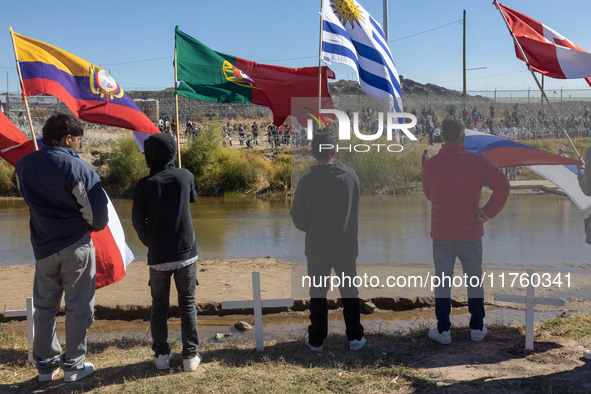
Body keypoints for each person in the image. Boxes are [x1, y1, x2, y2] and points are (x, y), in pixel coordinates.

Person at [15, 113, 108, 382]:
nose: (78, 145)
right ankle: (74, 366)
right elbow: (98, 217)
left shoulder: (23, 164)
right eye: (77, 140)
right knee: (79, 308)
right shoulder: (79, 168)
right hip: (75, 245)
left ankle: (45, 368)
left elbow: (29, 200)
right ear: (68, 139)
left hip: (43, 246)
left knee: (44, 308)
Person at [422, 117, 510, 345]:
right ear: (463, 137)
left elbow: (430, 195)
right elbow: (503, 186)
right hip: (471, 232)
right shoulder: (479, 161)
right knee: (474, 281)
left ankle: (444, 331)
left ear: (441, 137)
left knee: (442, 282)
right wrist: (487, 211)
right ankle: (477, 328)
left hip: (442, 234)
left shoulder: (430, 164)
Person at [132, 133, 201, 372]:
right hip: (186, 254)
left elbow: (138, 223)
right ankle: (190, 357)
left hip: (158, 257)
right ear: (174, 154)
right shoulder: (186, 176)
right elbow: (192, 198)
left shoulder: (143, 185)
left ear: (150, 158)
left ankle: (161, 356)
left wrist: (150, 242)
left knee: (158, 307)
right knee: (188, 305)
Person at [291, 131, 365, 352]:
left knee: (318, 293)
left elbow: (297, 217)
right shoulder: (351, 176)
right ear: (334, 151)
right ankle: (354, 338)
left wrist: (313, 230)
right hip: (346, 246)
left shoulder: (306, 182)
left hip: (318, 247)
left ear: (314, 154)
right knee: (350, 291)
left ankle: (316, 340)